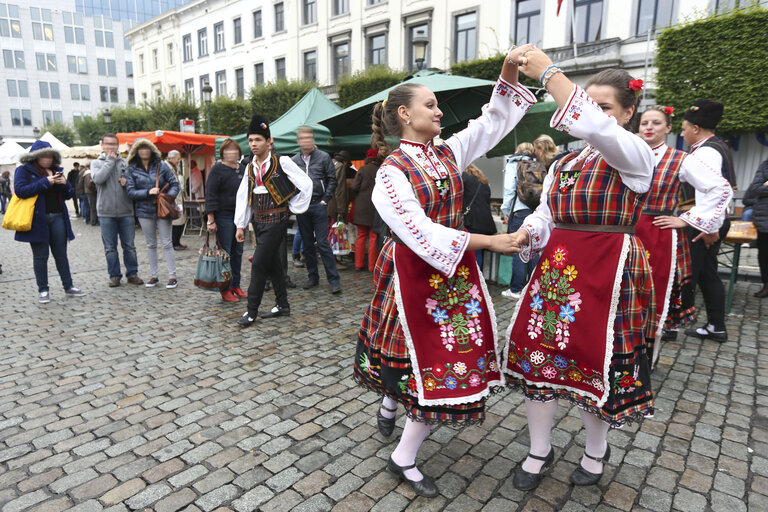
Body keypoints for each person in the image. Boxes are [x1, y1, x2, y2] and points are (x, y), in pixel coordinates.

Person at [354, 45, 533, 497]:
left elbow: (491, 121)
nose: (438, 112)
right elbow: (420, 231)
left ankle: (395, 419)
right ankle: (401, 446)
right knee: (428, 361)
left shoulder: (447, 153)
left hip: (454, 274)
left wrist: (509, 68)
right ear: (404, 114)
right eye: (429, 105)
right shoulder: (390, 173)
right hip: (414, 274)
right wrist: (491, 241)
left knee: (436, 360)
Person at [505, 58, 657, 490]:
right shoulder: (563, 163)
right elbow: (547, 213)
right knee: (541, 358)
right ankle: (539, 449)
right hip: (558, 271)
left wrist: (549, 72)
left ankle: (595, 450)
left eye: (605, 106)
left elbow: (601, 132)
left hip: (608, 270)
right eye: (589, 104)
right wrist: (528, 231)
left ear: (628, 113)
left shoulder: (635, 154)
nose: (595, 113)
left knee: (598, 362)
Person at [636, 107, 732, 354]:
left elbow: (720, 189)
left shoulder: (682, 159)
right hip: (626, 231)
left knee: (654, 293)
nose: (648, 127)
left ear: (668, 128)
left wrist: (688, 219)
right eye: (644, 122)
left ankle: (648, 353)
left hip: (658, 231)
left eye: (656, 122)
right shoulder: (628, 155)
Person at [234, 115, 312, 327]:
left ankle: (251, 311)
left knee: (258, 263)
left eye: (258, 140)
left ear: (269, 141)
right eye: (251, 140)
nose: (253, 144)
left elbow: (306, 184)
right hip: (258, 222)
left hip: (276, 220)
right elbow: (243, 196)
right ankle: (282, 304)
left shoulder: (282, 162)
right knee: (273, 263)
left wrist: (293, 208)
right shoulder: (250, 167)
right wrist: (241, 225)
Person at [675, 100, 736, 342]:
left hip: (704, 222)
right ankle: (716, 326)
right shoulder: (713, 146)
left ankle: (688, 322)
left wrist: (709, 228)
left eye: (683, 128)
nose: (681, 133)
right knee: (707, 274)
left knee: (697, 274)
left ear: (696, 128)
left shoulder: (707, 151)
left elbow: (716, 193)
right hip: (709, 220)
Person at [12, 140, 86, 303]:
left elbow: (68, 195)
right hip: (37, 219)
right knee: (40, 256)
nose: (47, 158)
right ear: (35, 156)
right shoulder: (24, 171)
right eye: (44, 155)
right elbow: (21, 191)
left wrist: (65, 184)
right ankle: (43, 290)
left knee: (61, 254)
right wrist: (46, 182)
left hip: (58, 217)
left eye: (50, 155)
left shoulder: (56, 170)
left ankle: (69, 286)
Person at [291, 126, 342, 294]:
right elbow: (290, 184)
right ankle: (313, 277)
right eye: (303, 138)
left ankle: (334, 280)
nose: (306, 141)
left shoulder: (323, 157)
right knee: (306, 244)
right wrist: (294, 202)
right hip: (302, 207)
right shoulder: (294, 161)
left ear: (313, 140)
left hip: (318, 205)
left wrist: (324, 200)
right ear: (298, 141)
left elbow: (331, 180)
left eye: (309, 138)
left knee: (322, 242)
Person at [90, 133, 144, 288]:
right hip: (105, 212)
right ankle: (114, 276)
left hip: (126, 210)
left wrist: (128, 182)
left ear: (117, 145)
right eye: (107, 144)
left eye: (113, 144)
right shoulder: (96, 163)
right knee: (110, 248)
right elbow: (98, 179)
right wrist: (110, 161)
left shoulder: (126, 163)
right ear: (102, 145)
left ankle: (132, 274)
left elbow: (135, 183)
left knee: (130, 246)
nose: (110, 147)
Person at [125, 138, 180, 289]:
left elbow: (175, 184)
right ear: (136, 151)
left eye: (147, 148)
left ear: (152, 150)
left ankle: (172, 276)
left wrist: (169, 197)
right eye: (141, 148)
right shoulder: (131, 168)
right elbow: (130, 191)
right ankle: (154, 275)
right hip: (143, 210)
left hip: (162, 208)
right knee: (150, 244)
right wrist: (147, 192)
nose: (144, 151)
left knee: (167, 243)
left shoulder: (161, 165)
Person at [206, 138, 247, 302]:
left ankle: (236, 285)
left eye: (235, 150)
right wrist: (211, 219)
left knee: (238, 252)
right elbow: (211, 195)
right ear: (222, 153)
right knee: (226, 254)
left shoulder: (242, 169)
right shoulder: (217, 170)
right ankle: (225, 288)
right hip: (224, 216)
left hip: (240, 217)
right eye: (228, 150)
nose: (232, 153)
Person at [501, 142, 538, 299]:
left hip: (519, 211)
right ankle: (535, 287)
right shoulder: (537, 164)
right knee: (533, 249)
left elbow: (509, 190)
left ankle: (516, 289)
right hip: (535, 211)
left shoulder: (514, 163)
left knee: (518, 248)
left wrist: (506, 211)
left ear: (517, 150)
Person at [349, 148, 381, 271]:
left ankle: (358, 264)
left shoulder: (362, 169)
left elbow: (354, 186)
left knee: (361, 236)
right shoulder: (380, 170)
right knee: (373, 237)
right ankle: (372, 266)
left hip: (361, 207)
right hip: (376, 207)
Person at [462, 164, 496, 269]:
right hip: (485, 221)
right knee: (478, 251)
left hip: (471, 220)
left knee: (472, 252)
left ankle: (474, 278)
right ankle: (479, 277)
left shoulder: (464, 177)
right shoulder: (483, 181)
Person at [328, 150, 353, 270]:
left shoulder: (328, 163)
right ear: (346, 162)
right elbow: (340, 191)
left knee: (328, 233)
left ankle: (331, 259)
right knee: (334, 234)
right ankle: (332, 261)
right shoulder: (340, 167)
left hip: (324, 204)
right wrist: (341, 209)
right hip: (333, 206)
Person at [747, 157, 768, 298]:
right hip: (764, 218)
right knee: (764, 254)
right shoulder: (765, 165)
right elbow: (755, 188)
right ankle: (766, 285)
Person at [167, 150, 188, 250]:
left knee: (180, 220)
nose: (179, 161)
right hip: (174, 199)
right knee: (177, 221)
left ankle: (176, 242)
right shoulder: (168, 168)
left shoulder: (174, 167)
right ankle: (175, 243)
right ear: (172, 158)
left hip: (178, 199)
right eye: (177, 159)